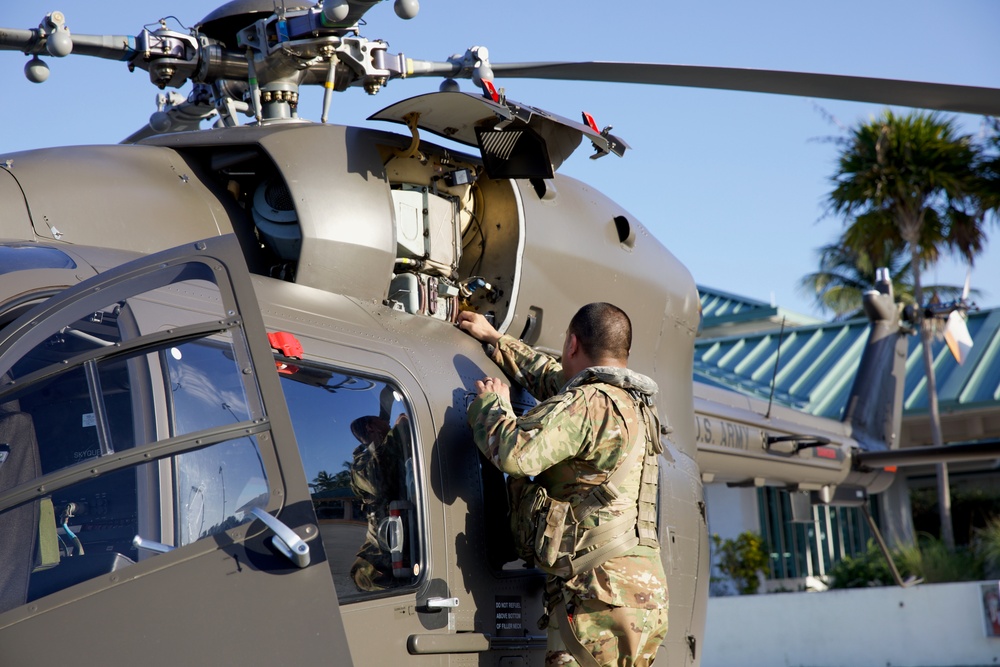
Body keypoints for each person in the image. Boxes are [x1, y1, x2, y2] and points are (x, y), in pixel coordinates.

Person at [457, 303, 669, 667]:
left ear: (572, 344)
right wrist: (497, 340)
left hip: (596, 596)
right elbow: (555, 380)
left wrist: (493, 406)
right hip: (643, 594)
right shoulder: (632, 404)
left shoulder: (588, 404)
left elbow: (516, 455)